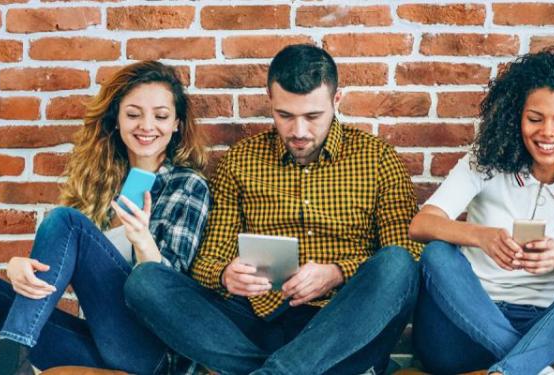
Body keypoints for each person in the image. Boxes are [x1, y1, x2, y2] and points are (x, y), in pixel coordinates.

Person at [123, 44, 421, 375]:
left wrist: (336, 273)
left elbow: (408, 255)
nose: (299, 131)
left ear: (336, 101)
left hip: (341, 324)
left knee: (398, 264)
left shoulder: (377, 158)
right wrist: (227, 274)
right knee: (145, 281)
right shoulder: (241, 161)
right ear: (270, 98)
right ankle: (282, 370)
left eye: (312, 116)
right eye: (285, 115)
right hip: (257, 322)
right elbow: (206, 263)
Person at [0, 61, 211, 375]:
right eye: (133, 114)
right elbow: (59, 263)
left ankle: (10, 356)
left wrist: (144, 244)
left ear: (176, 123)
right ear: (116, 119)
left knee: (65, 220)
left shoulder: (188, 185)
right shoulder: (101, 183)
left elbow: (172, 299)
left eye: (161, 116)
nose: (147, 126)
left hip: (154, 354)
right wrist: (18, 268)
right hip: (100, 343)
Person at [407, 47, 554, 375]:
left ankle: (509, 370)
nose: (547, 133)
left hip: (545, 330)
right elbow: (422, 224)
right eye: (534, 119)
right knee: (437, 254)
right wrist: (481, 237)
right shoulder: (483, 163)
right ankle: (530, 368)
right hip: (465, 326)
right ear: (516, 117)